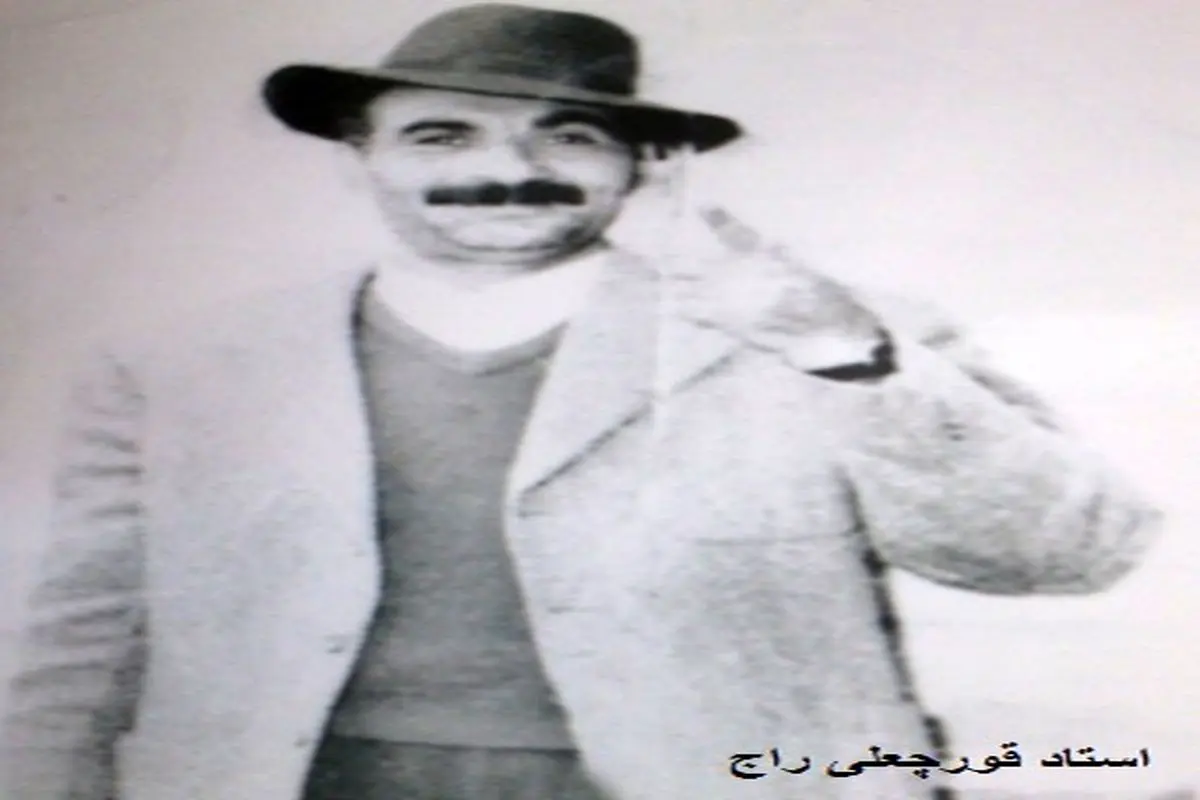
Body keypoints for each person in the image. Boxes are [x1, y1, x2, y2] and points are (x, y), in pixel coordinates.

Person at [0, 4, 1161, 799]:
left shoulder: (823, 329)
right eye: (441, 134)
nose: (507, 169)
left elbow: (1069, 550)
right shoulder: (178, 367)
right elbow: (83, 644)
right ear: (356, 157)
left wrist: (841, 353)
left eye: (568, 134)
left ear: (643, 164)